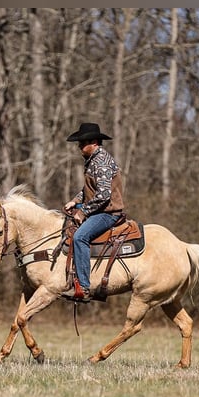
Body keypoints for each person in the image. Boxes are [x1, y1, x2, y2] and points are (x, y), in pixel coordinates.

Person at [62, 122, 125, 302]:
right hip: (98, 209)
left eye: (83, 143)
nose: (79, 146)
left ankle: (83, 287)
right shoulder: (93, 161)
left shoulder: (102, 162)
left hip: (108, 212)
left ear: (94, 142)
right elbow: (89, 189)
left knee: (80, 237)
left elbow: (103, 195)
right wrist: (75, 201)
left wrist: (82, 212)